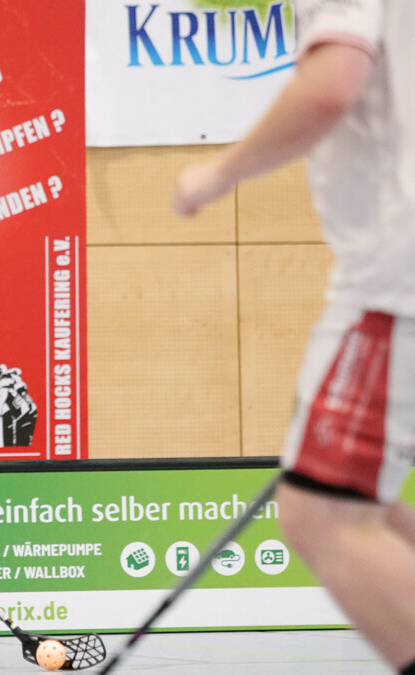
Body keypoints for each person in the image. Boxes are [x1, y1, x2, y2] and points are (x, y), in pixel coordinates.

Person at [173, 2, 415, 671]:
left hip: (395, 279)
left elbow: (330, 84)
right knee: (364, 501)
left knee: (323, 515)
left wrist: (215, 175)